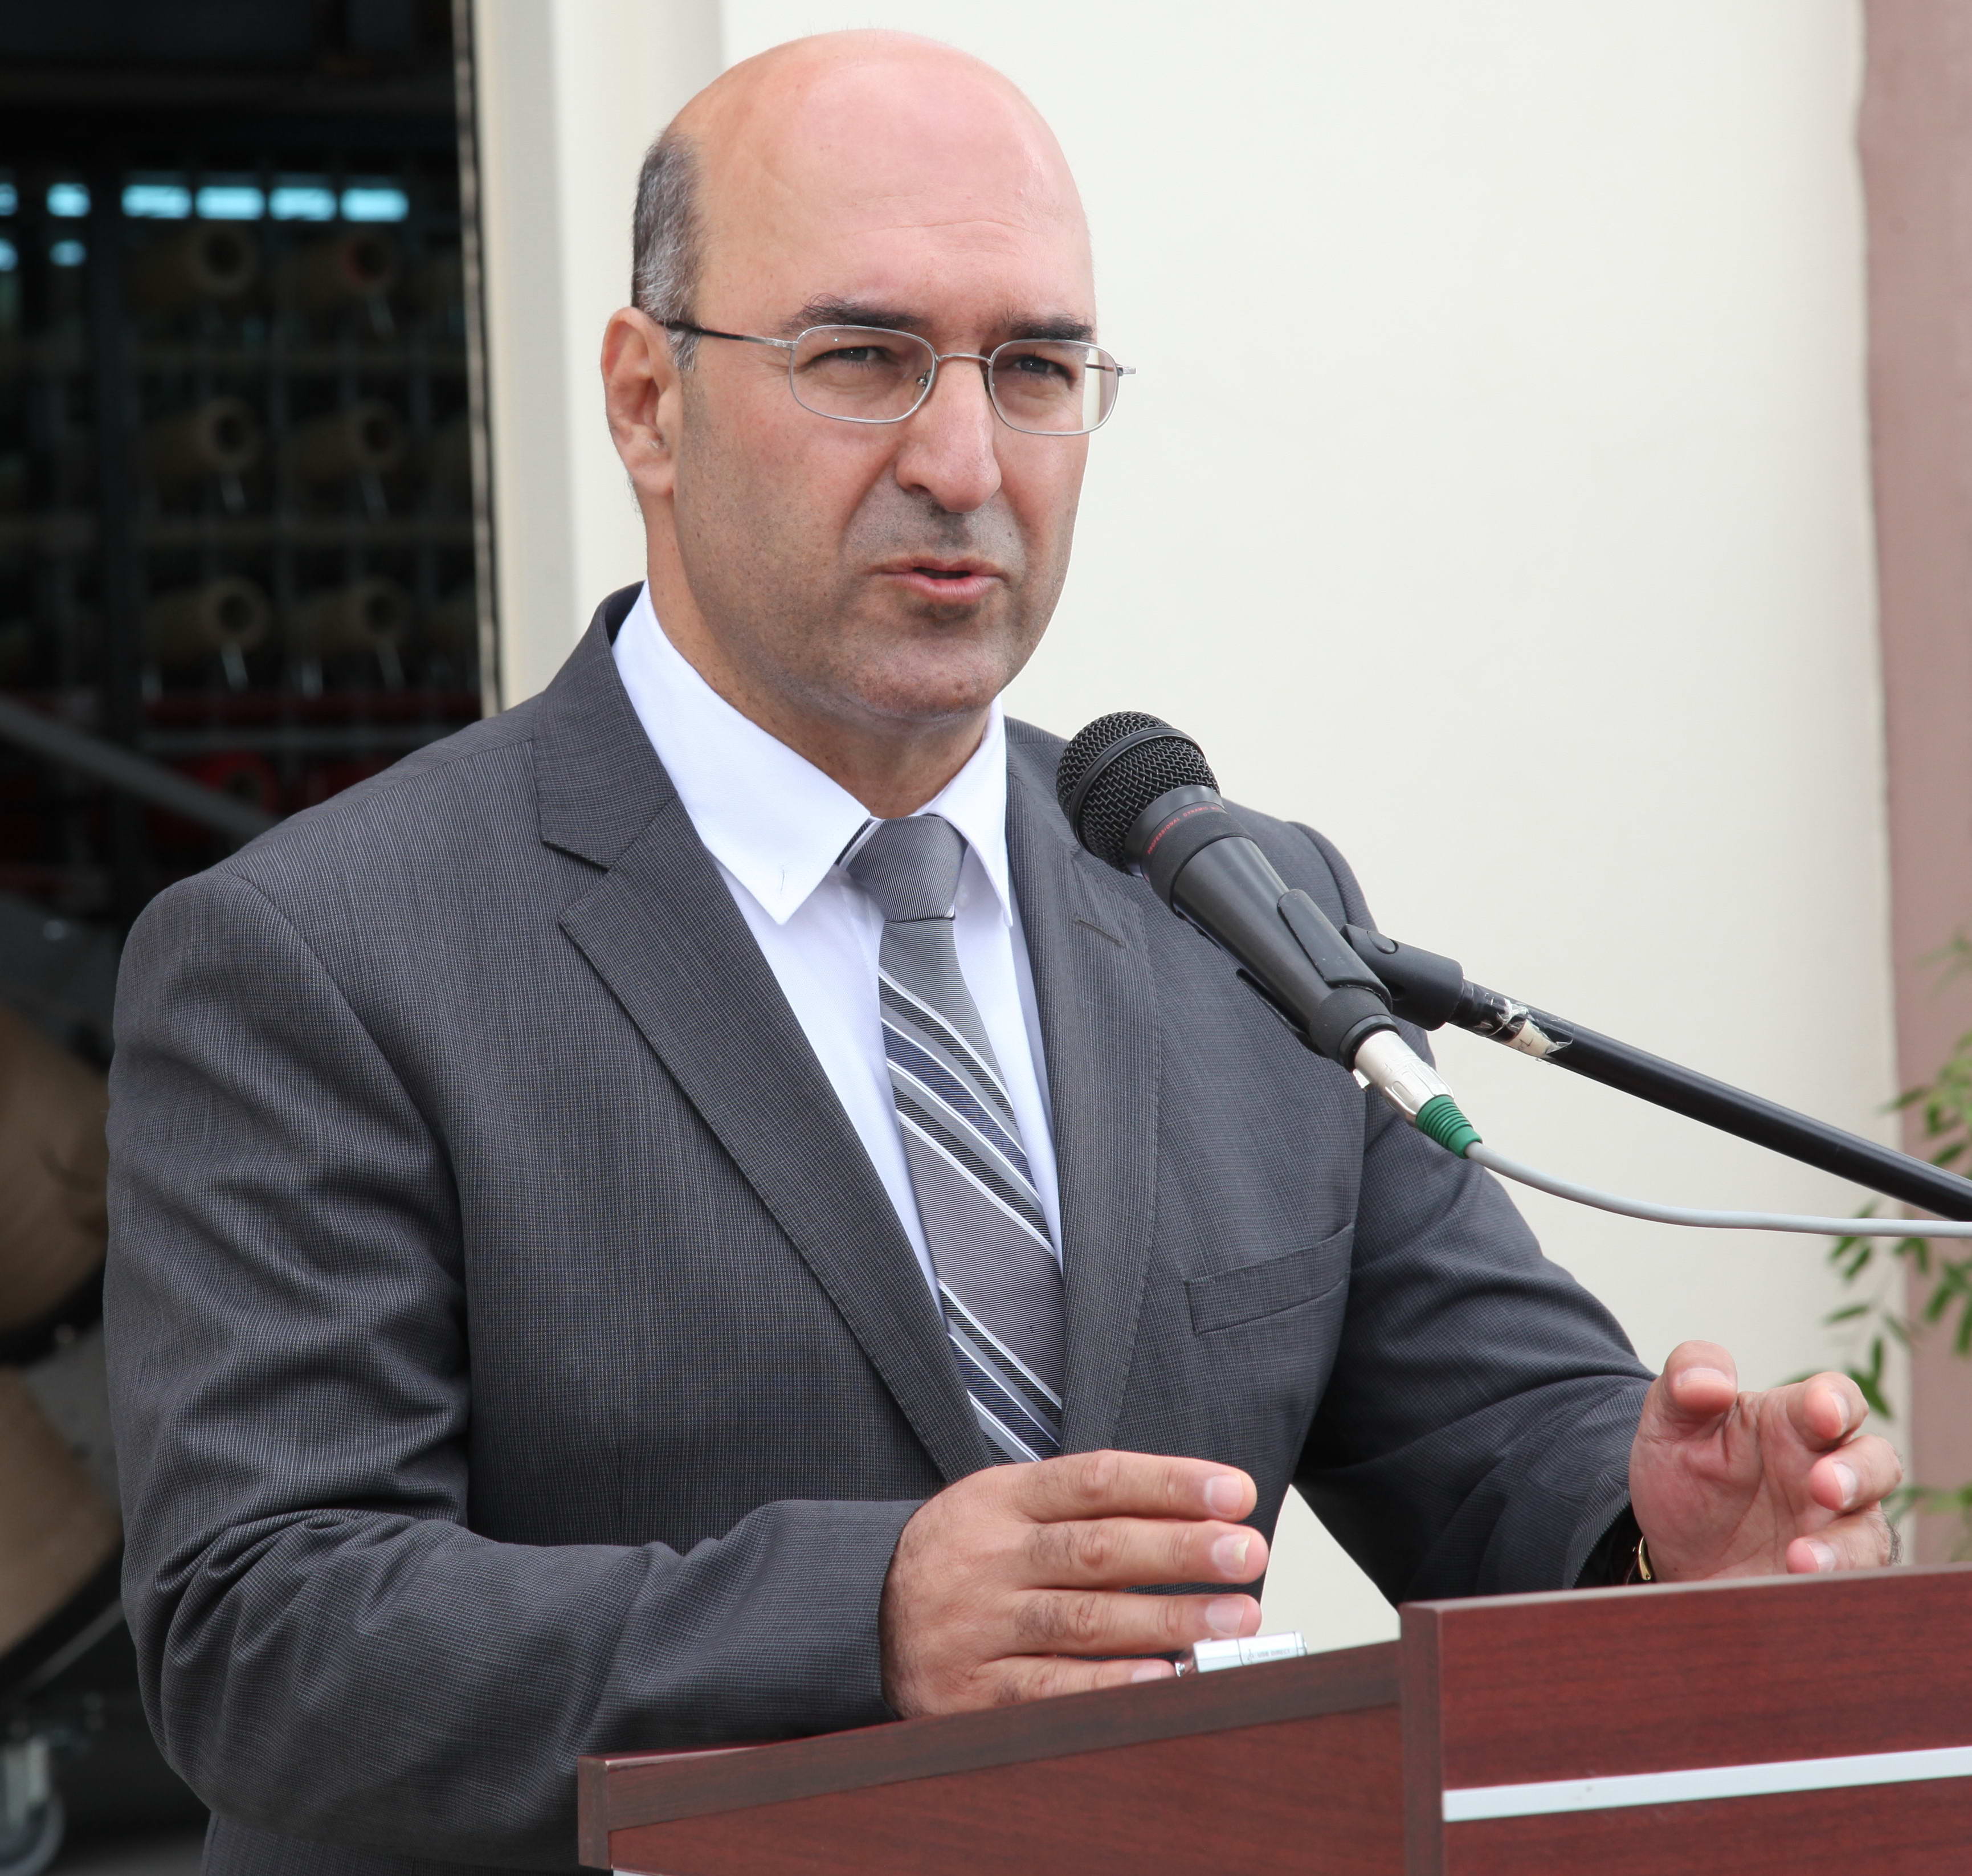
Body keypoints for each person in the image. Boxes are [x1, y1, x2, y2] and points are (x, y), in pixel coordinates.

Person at [103, 30, 1898, 1876]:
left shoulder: (1234, 909)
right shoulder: (320, 956)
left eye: (1035, 369)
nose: (964, 462)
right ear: (647, 400)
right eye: (862, 357)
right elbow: (263, 1630)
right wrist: (865, 1618)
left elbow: (1493, 1432)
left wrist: (1660, 1539)